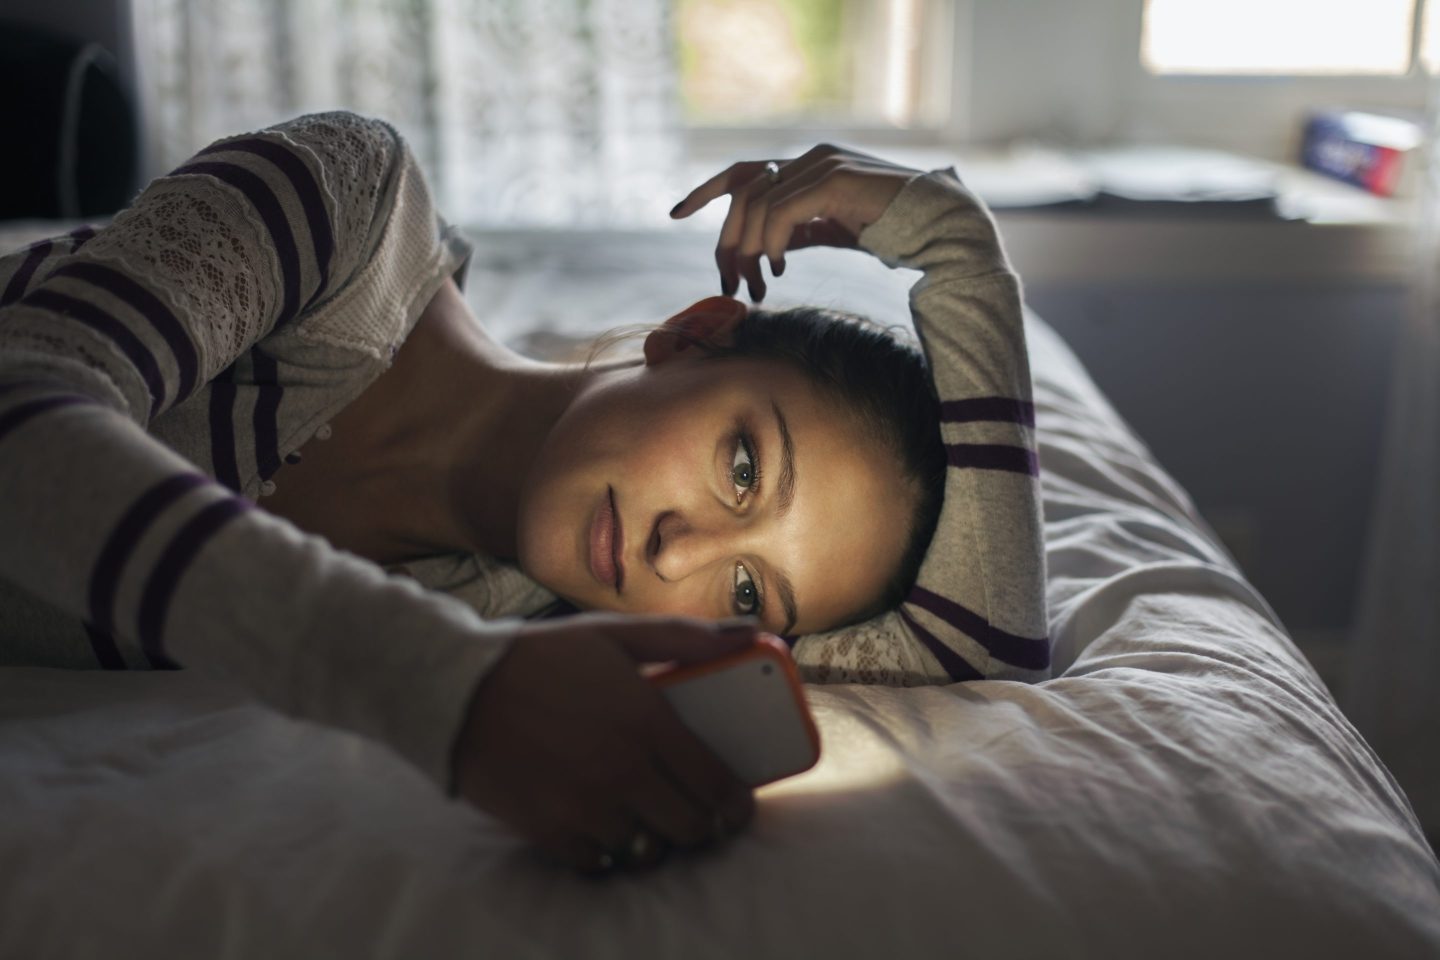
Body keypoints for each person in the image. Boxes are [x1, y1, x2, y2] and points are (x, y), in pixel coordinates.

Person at [0, 111, 1047, 878]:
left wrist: (964, 259)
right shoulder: (347, 212)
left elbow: (983, 649)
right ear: (693, 334)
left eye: (745, 594)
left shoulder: (532, 612)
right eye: (743, 468)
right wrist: (445, 691)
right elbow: (21, 407)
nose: (678, 556)